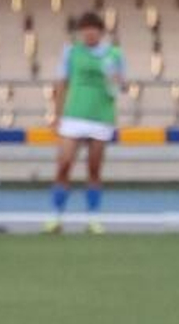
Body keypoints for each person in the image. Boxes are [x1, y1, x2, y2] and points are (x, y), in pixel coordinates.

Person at [47, 12, 125, 234]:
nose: (89, 33)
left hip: (101, 116)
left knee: (94, 168)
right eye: (85, 29)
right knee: (64, 164)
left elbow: (121, 86)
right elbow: (62, 83)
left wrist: (115, 80)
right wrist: (57, 114)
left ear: (101, 32)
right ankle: (56, 216)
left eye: (93, 29)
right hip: (74, 115)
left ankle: (93, 217)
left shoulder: (114, 54)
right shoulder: (71, 52)